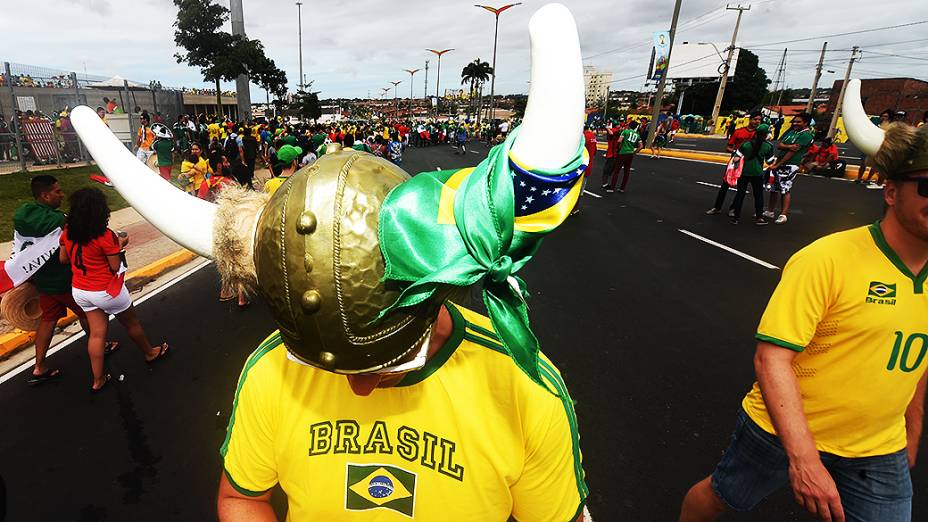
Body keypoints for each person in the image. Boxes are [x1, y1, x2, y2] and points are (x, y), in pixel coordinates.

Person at [69, 6, 591, 519]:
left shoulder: (523, 386)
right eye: (318, 363)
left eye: (392, 360)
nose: (359, 386)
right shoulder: (270, 371)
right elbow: (240, 497)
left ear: (435, 294)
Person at [679, 107, 928, 522]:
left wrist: (910, 439)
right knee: (718, 498)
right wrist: (805, 459)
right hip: (781, 432)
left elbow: (918, 362)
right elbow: (771, 357)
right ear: (890, 191)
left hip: (879, 448)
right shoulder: (826, 259)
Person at [9, 176, 118, 385]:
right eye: (57, 192)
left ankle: (39, 366)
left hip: (43, 282)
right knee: (89, 314)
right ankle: (100, 349)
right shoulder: (57, 220)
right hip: (64, 280)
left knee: (48, 320)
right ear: (45, 195)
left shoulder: (25, 217)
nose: (61, 195)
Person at [58, 188, 169, 392]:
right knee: (131, 323)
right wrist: (119, 244)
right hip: (107, 290)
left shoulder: (67, 231)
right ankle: (150, 352)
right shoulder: (105, 235)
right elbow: (115, 266)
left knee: (97, 334)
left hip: (81, 290)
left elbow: (63, 259)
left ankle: (98, 379)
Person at [763, 112, 814, 224]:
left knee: (784, 188)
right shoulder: (792, 132)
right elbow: (780, 145)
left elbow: (791, 152)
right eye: (794, 121)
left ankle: (783, 214)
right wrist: (789, 146)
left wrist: (778, 164)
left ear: (806, 123)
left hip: (790, 164)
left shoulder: (806, 135)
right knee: (774, 188)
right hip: (780, 162)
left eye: (798, 122)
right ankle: (770, 211)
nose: (795, 123)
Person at [729, 124, 775, 225]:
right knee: (758, 195)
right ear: (767, 134)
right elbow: (770, 161)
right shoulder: (768, 146)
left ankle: (736, 217)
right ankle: (759, 218)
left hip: (744, 173)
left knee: (740, 194)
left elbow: (736, 158)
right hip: (758, 174)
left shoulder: (746, 144)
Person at [606, 120, 643, 193]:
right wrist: (634, 152)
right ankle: (622, 188)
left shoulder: (625, 132)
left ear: (629, 125)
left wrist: (618, 149)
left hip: (623, 153)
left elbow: (619, 141)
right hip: (630, 153)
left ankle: (612, 188)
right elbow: (641, 146)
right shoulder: (637, 135)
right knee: (626, 171)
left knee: (616, 171)